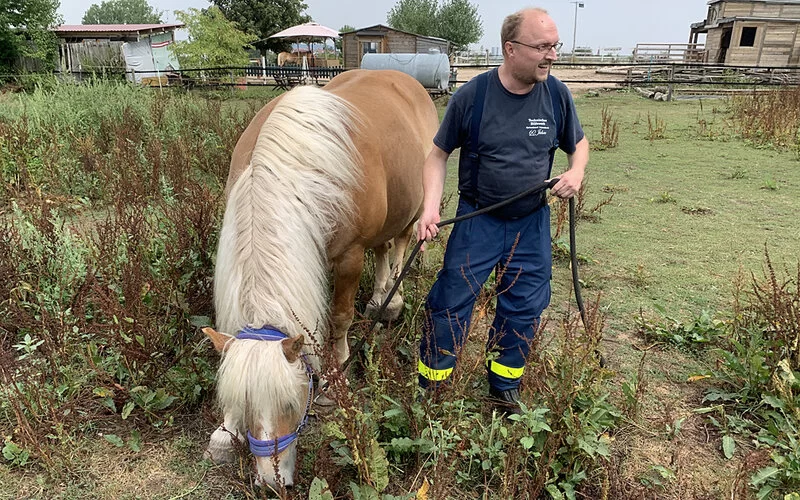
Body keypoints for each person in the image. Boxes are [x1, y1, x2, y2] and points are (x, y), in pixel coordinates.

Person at [416, 7, 589, 414]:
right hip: (479, 220)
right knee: (451, 302)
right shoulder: (472, 97)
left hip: (531, 222)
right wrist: (429, 209)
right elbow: (437, 156)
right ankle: (432, 384)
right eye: (542, 47)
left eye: (554, 46)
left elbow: (577, 144)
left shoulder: (557, 95)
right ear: (510, 49)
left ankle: (504, 384)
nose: (552, 55)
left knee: (526, 303)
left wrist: (576, 172)